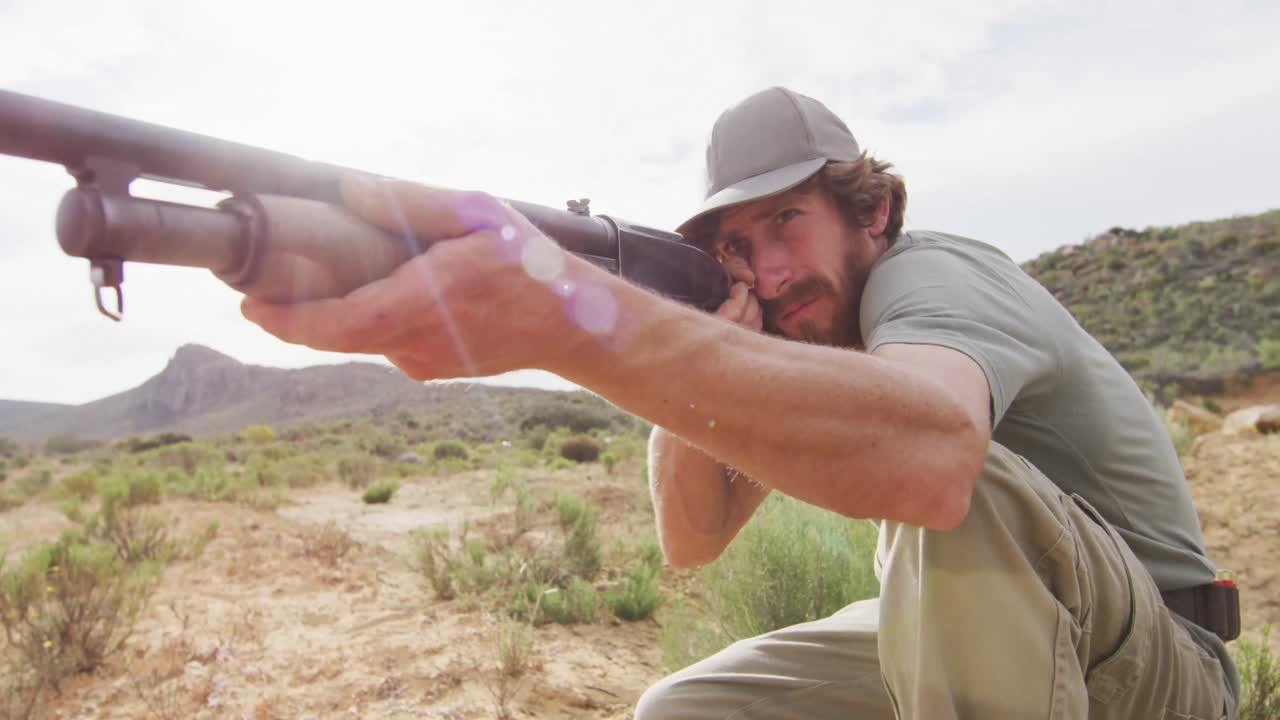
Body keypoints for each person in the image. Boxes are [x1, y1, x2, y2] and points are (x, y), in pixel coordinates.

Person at [241, 87, 1240, 719]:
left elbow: (937, 465)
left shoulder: (930, 275)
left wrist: (579, 326)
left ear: (871, 211)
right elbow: (693, 537)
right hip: (1007, 638)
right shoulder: (808, 338)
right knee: (688, 709)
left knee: (960, 481)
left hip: (1155, 667)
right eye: (735, 245)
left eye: (785, 221)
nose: (765, 268)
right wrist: (711, 342)